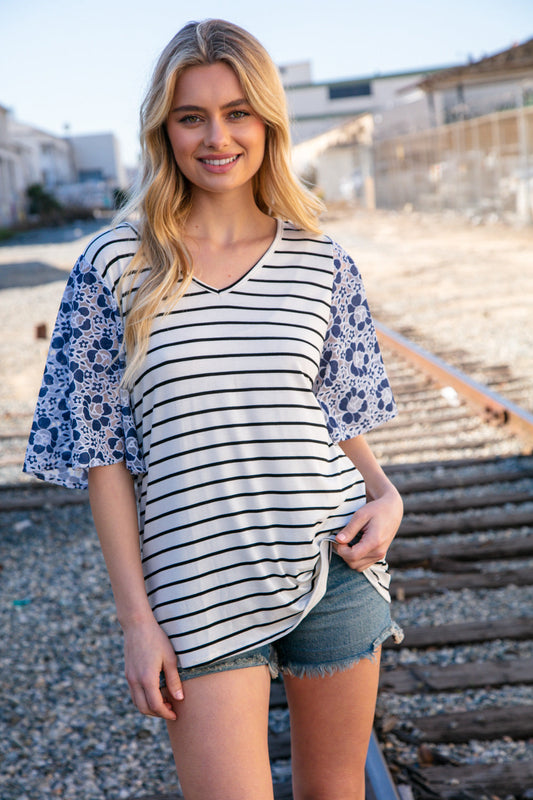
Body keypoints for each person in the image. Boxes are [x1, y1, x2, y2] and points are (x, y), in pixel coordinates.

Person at [24, 18, 403, 800]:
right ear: (164, 130)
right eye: (191, 116)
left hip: (330, 564)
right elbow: (102, 459)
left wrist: (386, 493)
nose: (216, 136)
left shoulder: (321, 260)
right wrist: (136, 622)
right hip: (194, 587)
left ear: (267, 120)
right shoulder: (115, 266)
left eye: (237, 113)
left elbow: (335, 413)